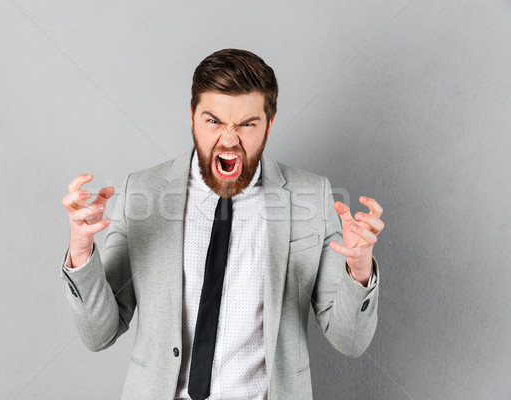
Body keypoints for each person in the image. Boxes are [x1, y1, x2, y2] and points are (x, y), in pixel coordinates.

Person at [60, 48, 383, 400]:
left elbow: (350, 341)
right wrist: (80, 250)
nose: (229, 140)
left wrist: (359, 268)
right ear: (192, 117)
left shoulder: (311, 198)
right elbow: (99, 334)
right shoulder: (141, 193)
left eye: (247, 124)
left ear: (269, 124)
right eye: (213, 121)